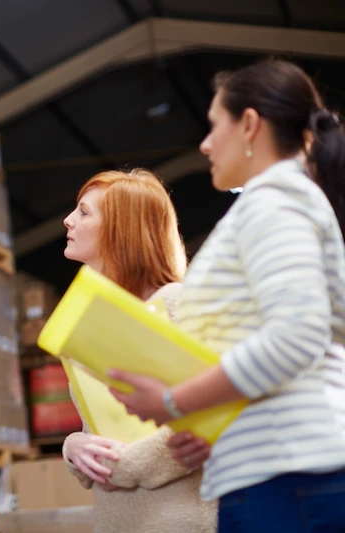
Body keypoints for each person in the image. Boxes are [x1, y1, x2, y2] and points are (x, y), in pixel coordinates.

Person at [109, 60, 345, 532]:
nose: (205, 143)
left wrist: (174, 401)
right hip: (275, 470)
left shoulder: (274, 200)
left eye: (215, 125)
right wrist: (222, 424)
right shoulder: (278, 201)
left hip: (289, 477)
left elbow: (297, 335)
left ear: (250, 125)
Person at [61, 169, 217, 533]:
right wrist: (74, 448)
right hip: (115, 517)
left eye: (84, 212)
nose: (68, 220)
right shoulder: (91, 321)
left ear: (121, 228)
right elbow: (99, 422)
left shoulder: (178, 305)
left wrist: (125, 466)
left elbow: (209, 416)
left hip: (179, 518)